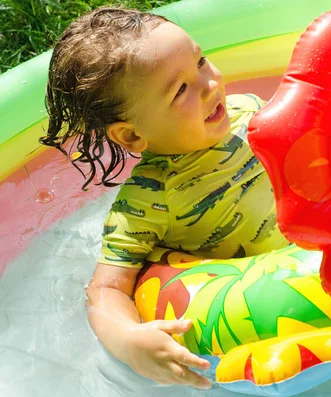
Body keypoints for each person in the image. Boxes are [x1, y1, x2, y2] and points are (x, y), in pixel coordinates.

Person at [40, 6, 289, 390]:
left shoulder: (249, 111)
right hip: (262, 304)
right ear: (131, 136)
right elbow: (105, 288)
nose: (210, 85)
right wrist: (128, 340)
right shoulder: (149, 198)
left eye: (201, 61)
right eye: (181, 90)